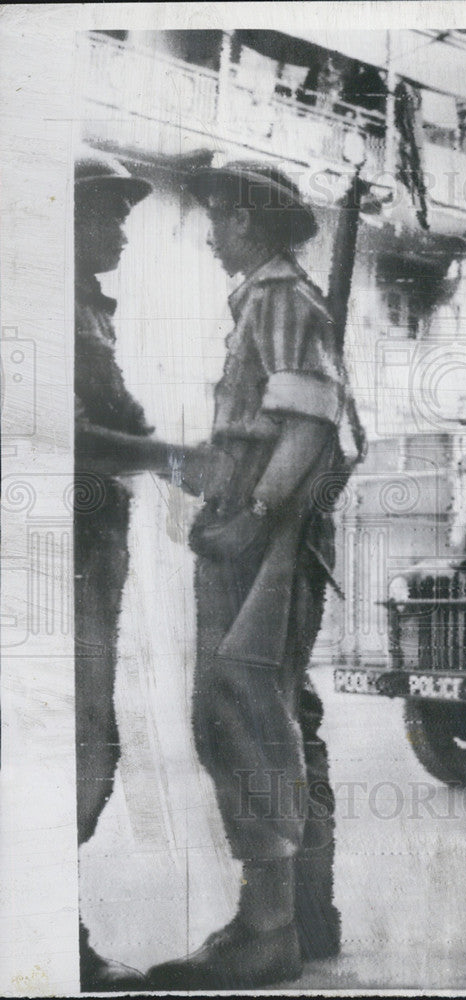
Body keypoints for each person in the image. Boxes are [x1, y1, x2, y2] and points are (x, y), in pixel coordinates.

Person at [147, 161, 348, 989]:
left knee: (236, 708)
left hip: (264, 533)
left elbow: (309, 429)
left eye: (220, 218)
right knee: (279, 709)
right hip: (266, 524)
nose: (209, 231)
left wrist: (252, 515)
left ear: (250, 226)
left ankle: (267, 929)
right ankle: (307, 912)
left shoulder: (277, 298)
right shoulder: (277, 300)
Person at [74, 150, 180, 989]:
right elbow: (68, 433)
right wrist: (174, 454)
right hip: (50, 565)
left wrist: (178, 456)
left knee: (88, 746)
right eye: (107, 212)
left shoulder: (87, 313)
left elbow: (121, 414)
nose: (120, 230)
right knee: (69, 748)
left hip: (90, 559)